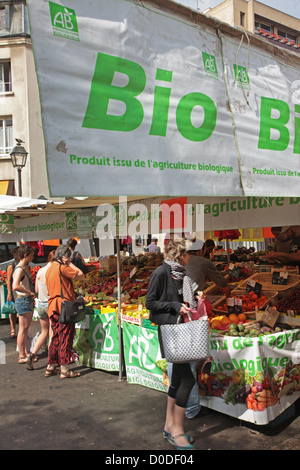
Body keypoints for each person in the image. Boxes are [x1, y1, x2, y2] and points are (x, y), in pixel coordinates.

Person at [146, 238, 196, 451]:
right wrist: (176, 306)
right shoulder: (161, 273)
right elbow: (150, 302)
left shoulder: (181, 275)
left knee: (177, 379)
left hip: (180, 330)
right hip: (169, 331)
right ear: (179, 256)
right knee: (187, 379)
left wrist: (193, 297)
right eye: (188, 253)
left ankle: (169, 426)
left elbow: (182, 298)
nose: (190, 256)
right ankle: (177, 431)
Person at [45, 245, 84, 379]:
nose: (70, 259)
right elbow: (81, 275)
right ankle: (64, 368)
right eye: (69, 257)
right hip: (64, 307)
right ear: (63, 257)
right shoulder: (62, 267)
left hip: (53, 306)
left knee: (56, 336)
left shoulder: (50, 269)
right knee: (66, 337)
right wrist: (70, 264)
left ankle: (50, 366)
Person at [26, 250, 55, 370]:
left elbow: (37, 290)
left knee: (44, 332)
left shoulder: (40, 271)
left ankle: (32, 355)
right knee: (52, 333)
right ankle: (51, 361)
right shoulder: (52, 271)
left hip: (41, 304)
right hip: (50, 303)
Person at [12, 245, 36, 364]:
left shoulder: (24, 267)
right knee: (23, 328)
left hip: (26, 300)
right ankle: (21, 355)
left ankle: (25, 352)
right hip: (23, 299)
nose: (33, 257)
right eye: (31, 255)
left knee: (25, 329)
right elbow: (15, 286)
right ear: (25, 255)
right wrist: (29, 292)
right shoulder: (19, 269)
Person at [6, 246, 20, 339]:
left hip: (21, 289)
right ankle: (13, 329)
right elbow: (9, 280)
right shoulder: (12, 265)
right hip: (14, 290)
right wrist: (9, 293)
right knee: (13, 311)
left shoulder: (24, 263)